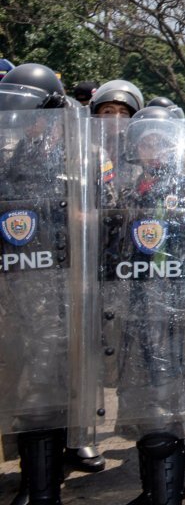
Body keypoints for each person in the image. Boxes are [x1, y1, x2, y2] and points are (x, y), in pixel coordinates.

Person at [96, 106, 185, 505]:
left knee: (169, 396)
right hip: (136, 308)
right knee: (141, 397)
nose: (154, 151)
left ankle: (169, 492)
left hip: (175, 309)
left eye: (161, 143)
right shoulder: (129, 193)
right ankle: (151, 489)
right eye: (146, 143)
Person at [0, 64, 76, 504]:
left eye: (33, 114)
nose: (27, 124)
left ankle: (43, 489)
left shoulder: (80, 156)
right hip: (18, 289)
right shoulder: (13, 159)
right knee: (23, 380)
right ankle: (33, 482)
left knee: (44, 385)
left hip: (60, 292)